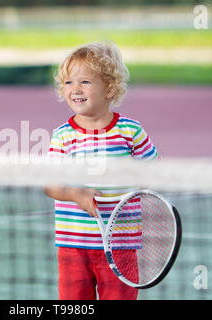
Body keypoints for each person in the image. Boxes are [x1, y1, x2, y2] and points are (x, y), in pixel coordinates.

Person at [43, 42, 158, 300]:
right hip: (74, 247)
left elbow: (152, 172)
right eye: (69, 83)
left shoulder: (131, 131)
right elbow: (49, 184)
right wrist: (76, 195)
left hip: (121, 245)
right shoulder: (62, 136)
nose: (75, 89)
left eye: (85, 82)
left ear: (109, 88)